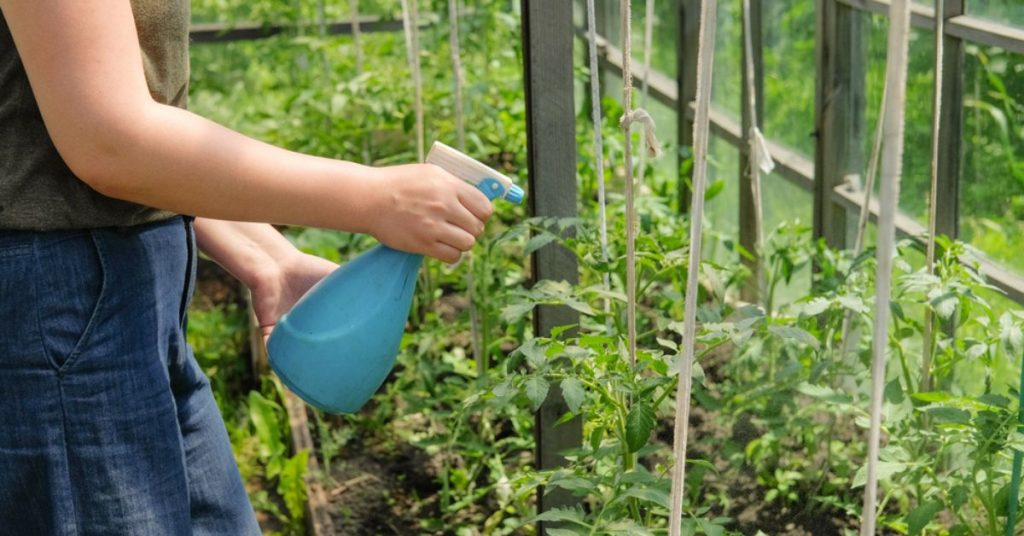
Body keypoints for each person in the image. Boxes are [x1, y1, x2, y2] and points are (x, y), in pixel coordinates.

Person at [0, 0, 493, 534]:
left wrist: (268, 259)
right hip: (61, 320)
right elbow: (107, 140)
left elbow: (117, 110)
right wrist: (375, 198)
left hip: (128, 307)